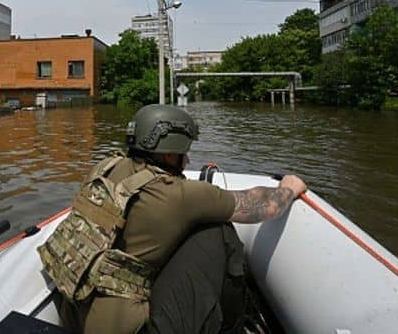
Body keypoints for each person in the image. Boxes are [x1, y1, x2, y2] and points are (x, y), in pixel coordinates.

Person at [38, 104, 307, 334]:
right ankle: (233, 328)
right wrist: (290, 187)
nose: (188, 159)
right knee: (217, 230)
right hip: (134, 330)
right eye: (184, 151)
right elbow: (265, 207)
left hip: (74, 315)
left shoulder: (105, 167)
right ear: (168, 153)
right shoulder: (178, 195)